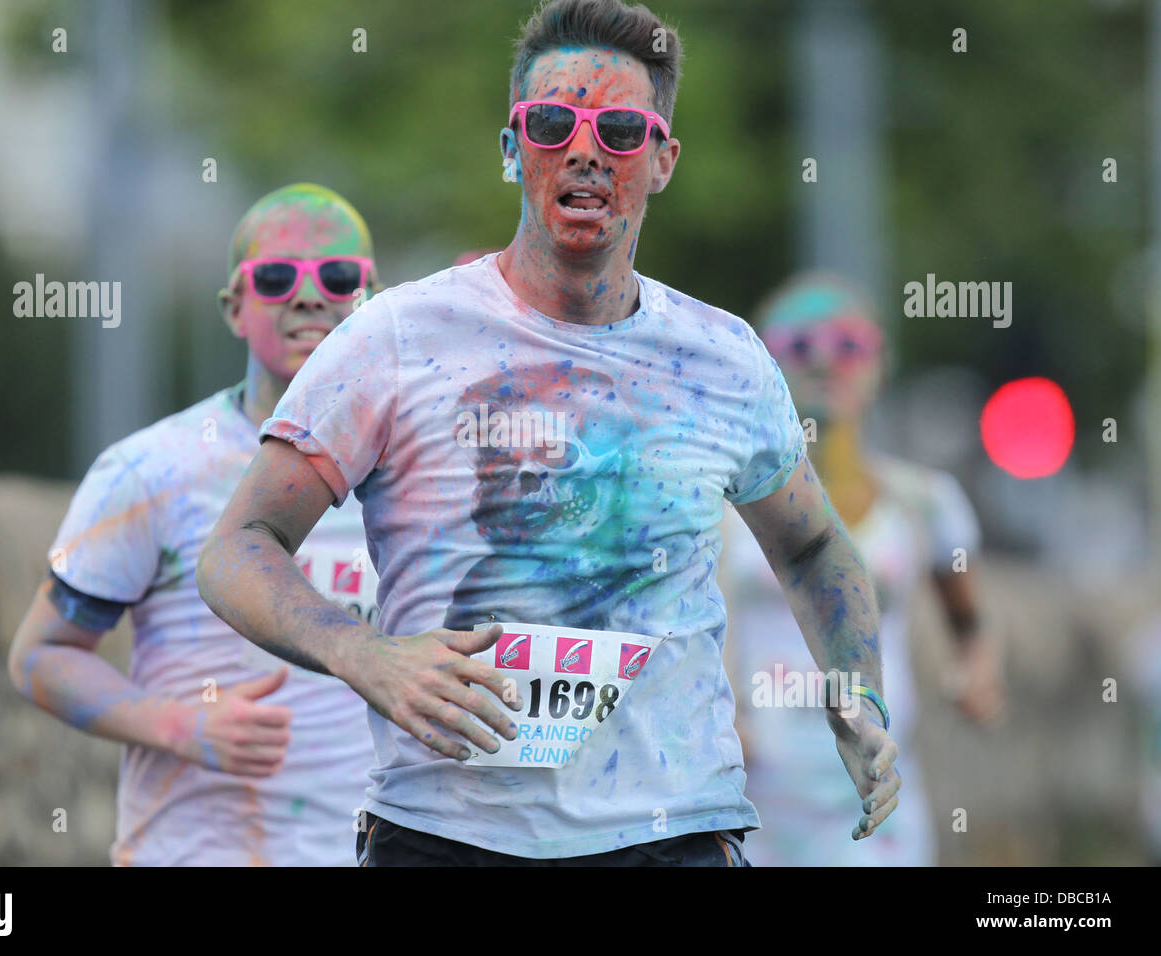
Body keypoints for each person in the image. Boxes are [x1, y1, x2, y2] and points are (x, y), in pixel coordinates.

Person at [197, 0, 901, 867]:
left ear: (663, 159)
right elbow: (238, 544)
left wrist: (855, 687)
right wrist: (362, 653)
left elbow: (812, 546)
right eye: (552, 122)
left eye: (620, 130)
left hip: (672, 833)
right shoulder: (395, 338)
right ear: (511, 147)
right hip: (445, 834)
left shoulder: (723, 358)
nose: (584, 150)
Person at [8, 183, 383, 866]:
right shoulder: (151, 469)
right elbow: (39, 657)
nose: (307, 295)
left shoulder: (410, 478)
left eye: (336, 276)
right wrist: (182, 726)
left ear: (371, 300)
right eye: (274, 277)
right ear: (235, 308)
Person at [719, 272, 1006, 865]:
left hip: (879, 796)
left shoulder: (925, 502)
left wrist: (976, 674)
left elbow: (972, 625)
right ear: (763, 365)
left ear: (880, 362)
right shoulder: (721, 501)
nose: (825, 362)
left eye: (848, 345)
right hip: (751, 797)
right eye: (799, 347)